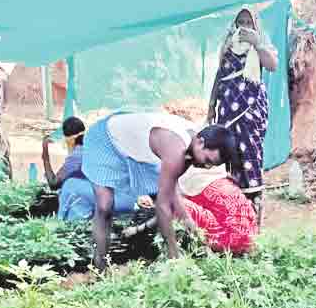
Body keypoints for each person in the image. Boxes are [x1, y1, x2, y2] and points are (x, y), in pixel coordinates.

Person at [82, 112, 240, 271]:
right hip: (106, 139)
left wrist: (187, 221)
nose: (206, 167)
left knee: (165, 199)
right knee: (105, 206)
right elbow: (163, 206)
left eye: (212, 165)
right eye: (207, 161)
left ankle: (129, 242)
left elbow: (172, 190)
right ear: (200, 142)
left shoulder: (192, 148)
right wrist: (173, 253)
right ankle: (99, 267)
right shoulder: (176, 150)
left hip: (138, 149)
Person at [207, 8, 279, 224]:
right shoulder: (228, 45)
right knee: (230, 156)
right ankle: (235, 212)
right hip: (227, 110)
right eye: (241, 22)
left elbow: (272, 65)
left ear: (255, 25)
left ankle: (255, 213)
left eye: (249, 22)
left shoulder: (261, 45)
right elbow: (220, 75)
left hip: (251, 111)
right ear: (235, 24)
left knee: (251, 155)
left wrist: (257, 43)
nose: (244, 26)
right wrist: (211, 105)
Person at [41, 116, 135, 221]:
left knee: (69, 186)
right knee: (76, 202)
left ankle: (59, 222)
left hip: (117, 201)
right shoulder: (94, 145)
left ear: (69, 140)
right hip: (128, 199)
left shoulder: (78, 155)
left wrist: (45, 152)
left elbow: (53, 183)